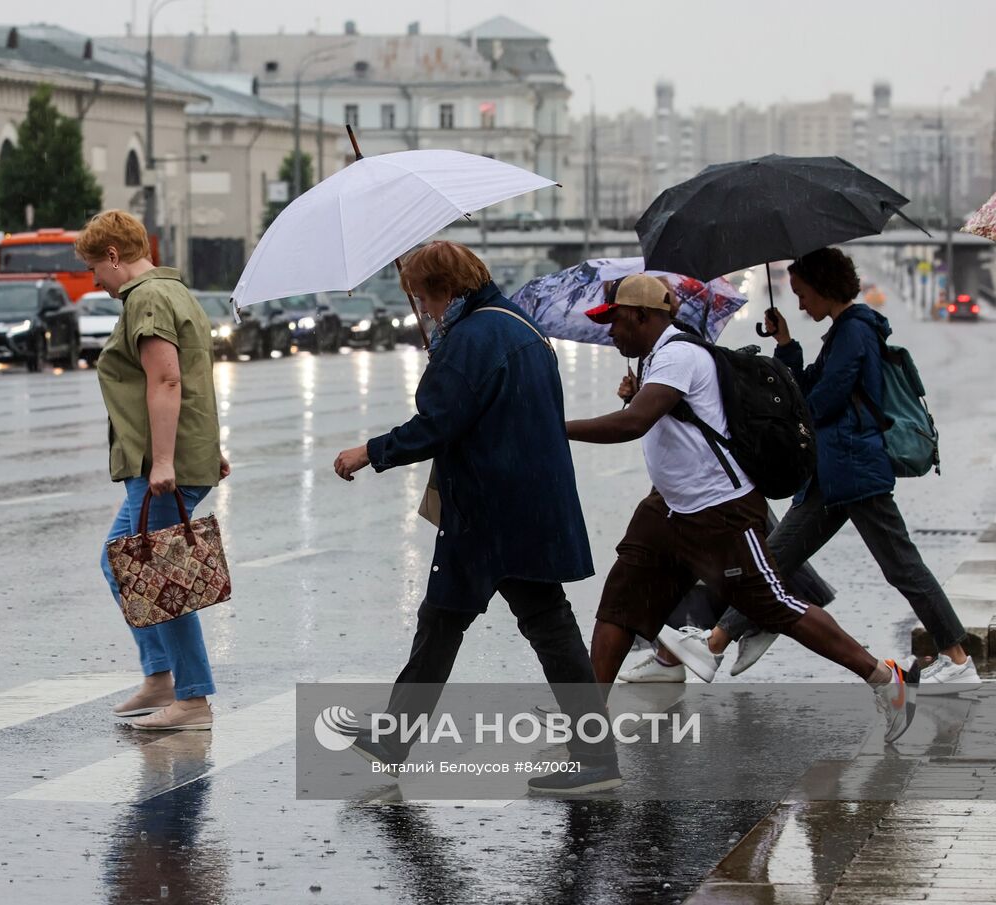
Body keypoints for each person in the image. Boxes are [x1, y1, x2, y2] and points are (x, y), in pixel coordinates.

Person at [566, 274, 919, 744]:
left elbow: (634, 424)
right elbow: (669, 417)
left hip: (720, 510)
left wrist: (555, 428)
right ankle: (586, 727)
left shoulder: (678, 354)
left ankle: (884, 679)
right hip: (667, 508)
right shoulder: (658, 358)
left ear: (644, 316)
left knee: (777, 606)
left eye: (615, 320)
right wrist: (640, 390)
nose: (610, 331)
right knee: (618, 607)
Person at [332, 241, 619, 793]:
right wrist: (447, 349)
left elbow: (439, 421)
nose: (425, 308)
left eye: (424, 297)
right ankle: (592, 754)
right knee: (512, 622)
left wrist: (370, 451)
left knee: (470, 622)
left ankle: (595, 759)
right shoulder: (516, 325)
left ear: (443, 289)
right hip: (525, 498)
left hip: (490, 506)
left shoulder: (472, 337)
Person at [662, 248, 978, 692]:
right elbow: (808, 386)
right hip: (833, 473)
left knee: (902, 567)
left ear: (825, 287)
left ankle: (958, 658)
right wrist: (786, 346)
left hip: (854, 470)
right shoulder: (841, 332)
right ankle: (714, 643)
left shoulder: (856, 330)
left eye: (803, 293)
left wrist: (787, 419)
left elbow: (822, 400)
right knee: (772, 560)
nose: (801, 302)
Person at [79, 209, 231, 731]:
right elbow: (194, 374)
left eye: (94, 267)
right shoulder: (176, 291)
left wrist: (168, 458)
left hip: (161, 463)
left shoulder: (145, 297)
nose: (94, 280)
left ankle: (191, 698)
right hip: (179, 454)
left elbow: (167, 381)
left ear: (114, 257)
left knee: (159, 574)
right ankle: (162, 676)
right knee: (125, 563)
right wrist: (206, 447)